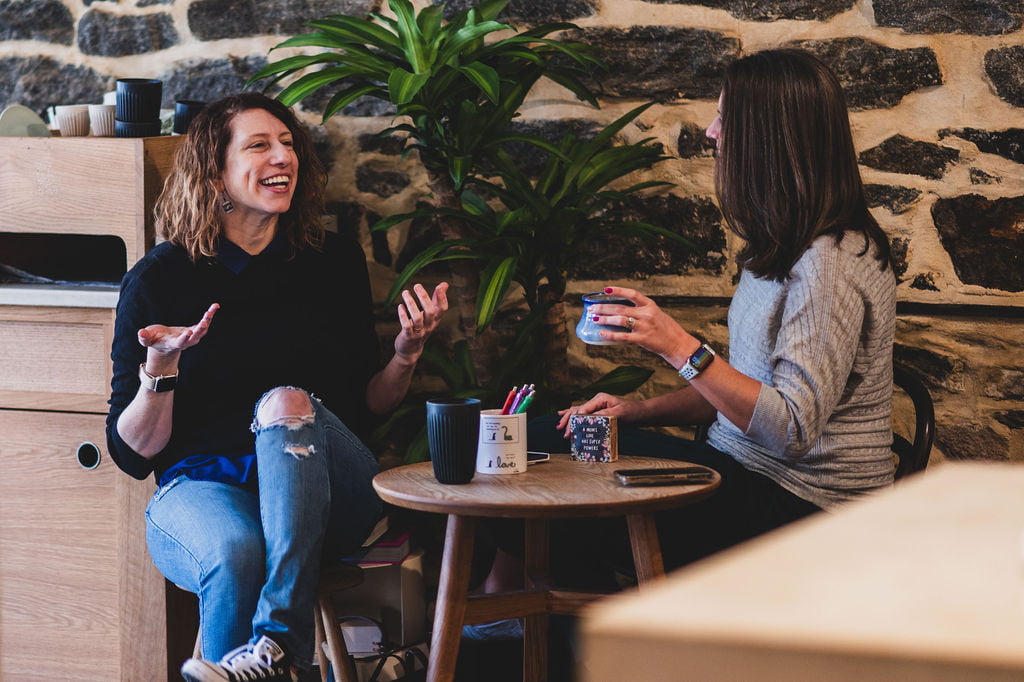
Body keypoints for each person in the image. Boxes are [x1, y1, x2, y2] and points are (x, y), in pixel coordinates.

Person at [469, 47, 897, 635]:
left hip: (801, 507)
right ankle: (550, 622)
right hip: (742, 469)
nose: (712, 131)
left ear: (766, 136)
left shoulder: (828, 263)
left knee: (548, 484)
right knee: (534, 438)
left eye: (725, 117)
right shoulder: (780, 244)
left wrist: (678, 346)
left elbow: (791, 429)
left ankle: (551, 631)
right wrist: (637, 411)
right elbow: (742, 388)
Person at [105, 92, 449, 682]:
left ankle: (274, 644)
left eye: (288, 143)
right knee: (236, 552)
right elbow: (131, 452)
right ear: (215, 169)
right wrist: (160, 366)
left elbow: (369, 405)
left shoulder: (332, 261)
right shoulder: (160, 278)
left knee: (285, 403)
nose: (283, 156)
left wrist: (404, 354)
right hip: (206, 486)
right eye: (260, 145)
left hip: (326, 491)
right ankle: (257, 666)